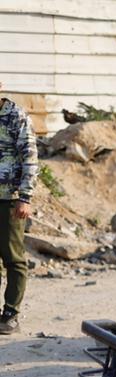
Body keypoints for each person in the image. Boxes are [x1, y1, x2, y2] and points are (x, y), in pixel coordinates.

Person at [0, 82, 35, 334]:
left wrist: (25, 197)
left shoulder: (16, 116)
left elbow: (30, 157)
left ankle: (11, 314)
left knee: (13, 257)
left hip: (10, 198)